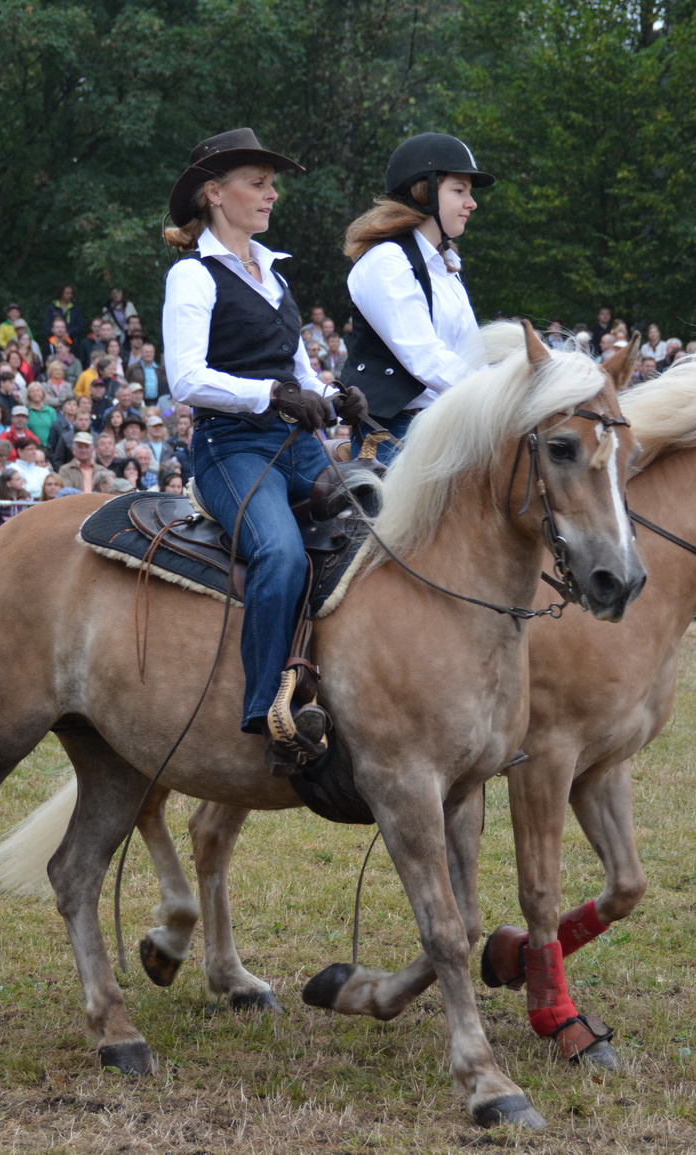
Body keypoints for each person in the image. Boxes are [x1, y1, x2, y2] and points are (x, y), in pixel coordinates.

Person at [161, 127, 362, 771]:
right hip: (230, 449)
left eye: (271, 184)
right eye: (260, 182)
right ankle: (266, 712)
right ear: (215, 194)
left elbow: (300, 374)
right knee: (278, 551)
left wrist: (337, 395)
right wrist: (271, 395)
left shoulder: (272, 271)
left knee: (380, 521)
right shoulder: (192, 277)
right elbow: (186, 379)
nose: (272, 194)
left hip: (296, 444)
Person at [340, 133, 491, 465]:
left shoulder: (446, 266)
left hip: (450, 427)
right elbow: (424, 357)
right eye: (459, 190)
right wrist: (497, 393)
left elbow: (471, 352)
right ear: (423, 191)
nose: (472, 203)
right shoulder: (386, 262)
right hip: (396, 435)